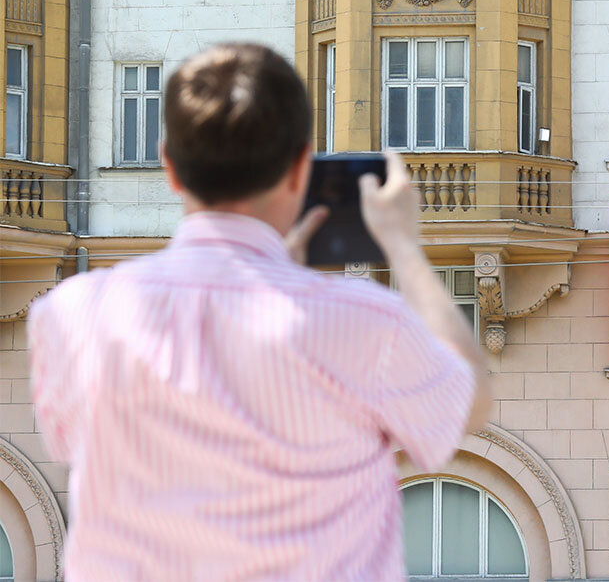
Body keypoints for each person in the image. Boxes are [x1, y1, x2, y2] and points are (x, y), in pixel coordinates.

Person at [28, 43, 492, 580]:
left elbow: (71, 442)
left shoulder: (70, 317)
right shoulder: (366, 324)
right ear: (300, 167)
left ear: (170, 168)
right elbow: (469, 404)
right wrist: (405, 250)